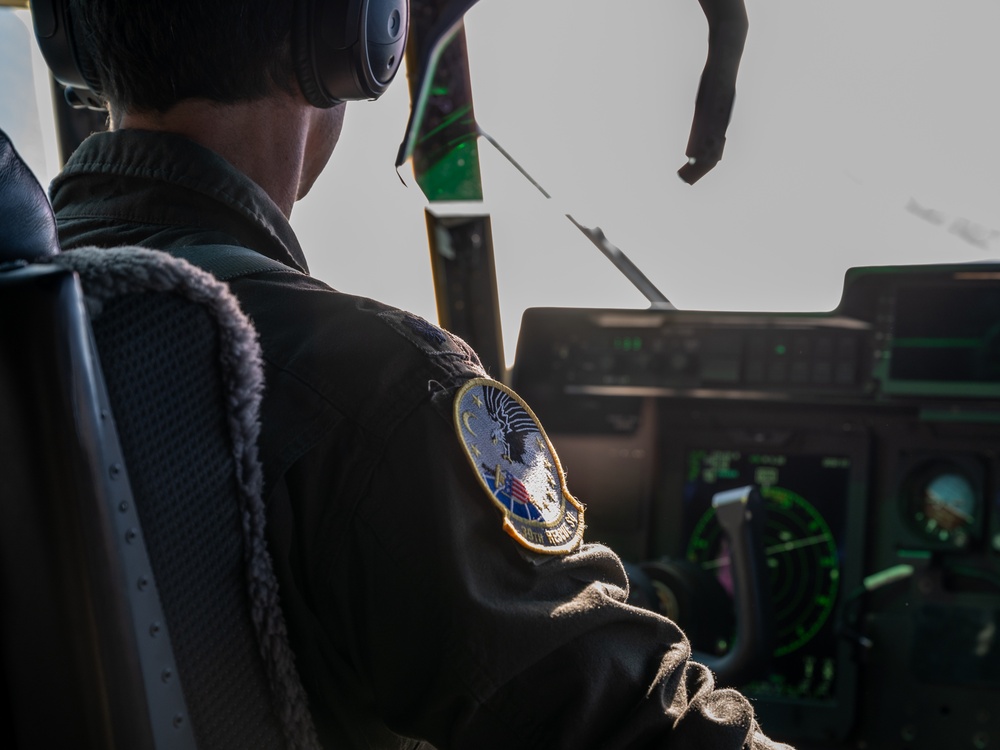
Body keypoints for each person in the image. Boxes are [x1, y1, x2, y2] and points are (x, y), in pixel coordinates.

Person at [49, 2, 793, 748]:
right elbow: (638, 731)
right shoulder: (375, 387)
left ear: (73, 35)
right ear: (354, 32)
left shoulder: (42, 324)